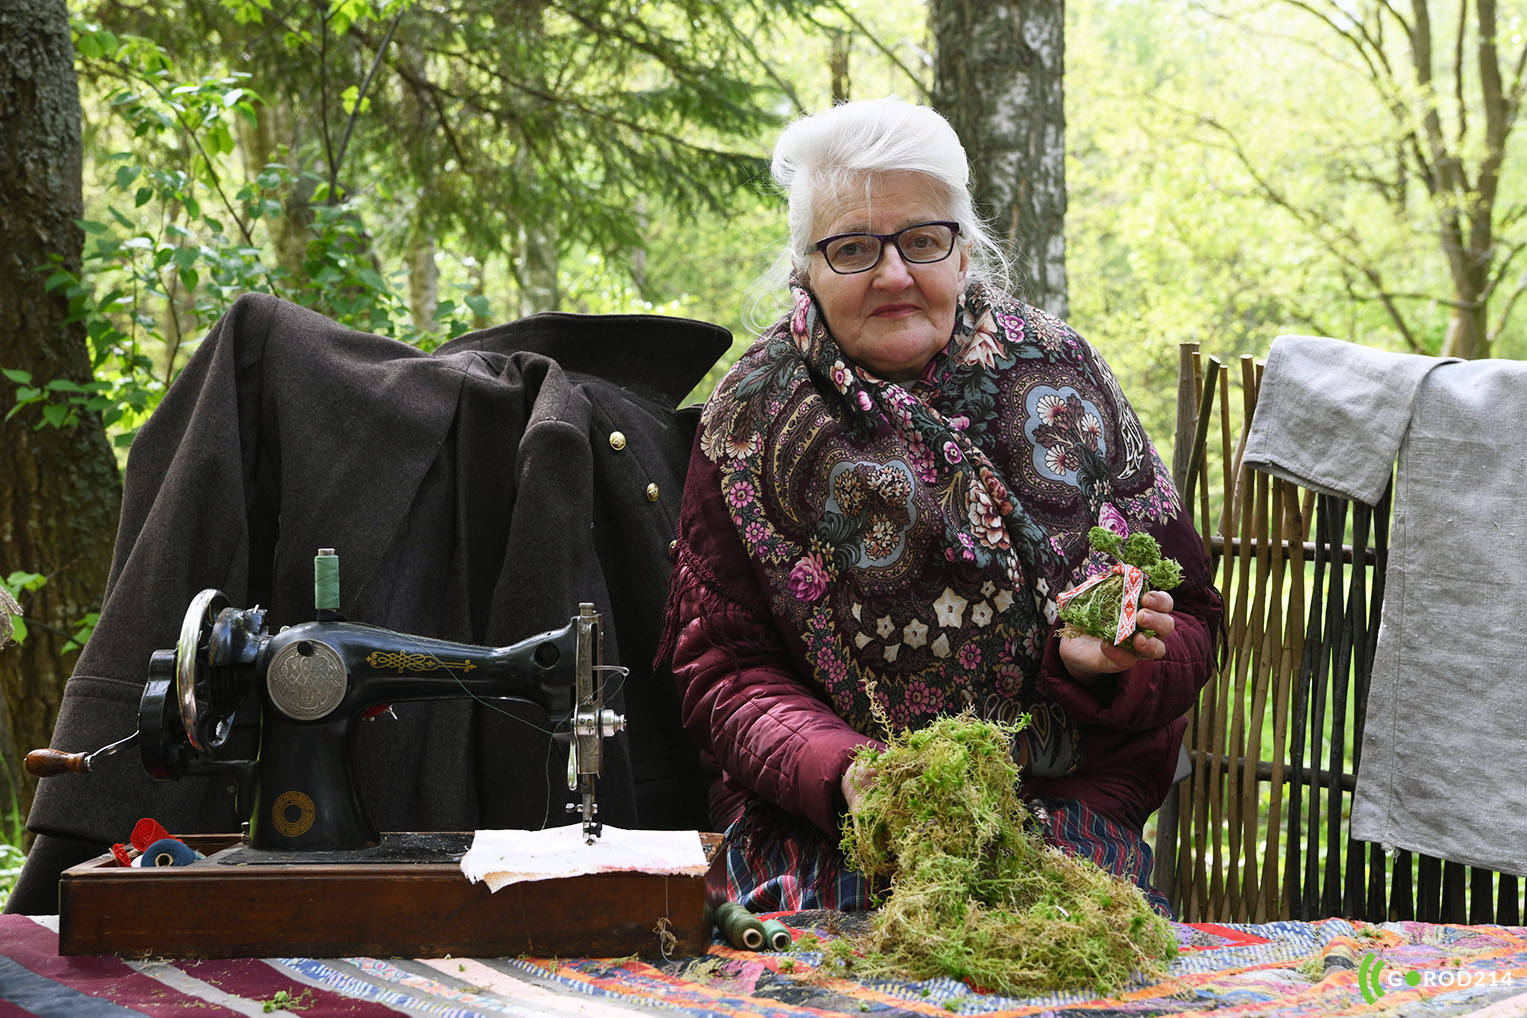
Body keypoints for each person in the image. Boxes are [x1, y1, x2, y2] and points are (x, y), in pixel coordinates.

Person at [658, 98, 1223, 916]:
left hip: (1065, 809)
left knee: (1072, 961)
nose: (893, 276)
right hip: (823, 827)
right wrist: (851, 773)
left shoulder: (1062, 375)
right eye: (852, 248)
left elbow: (1197, 622)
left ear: (963, 254)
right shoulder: (753, 414)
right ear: (805, 268)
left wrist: (1098, 672)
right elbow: (723, 671)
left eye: (922, 241)